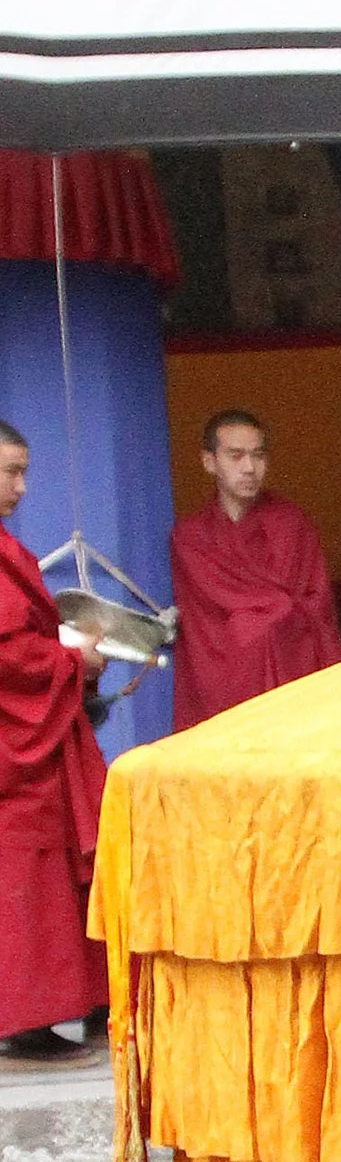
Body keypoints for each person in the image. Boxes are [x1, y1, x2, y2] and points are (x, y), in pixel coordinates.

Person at [0, 420, 108, 1061]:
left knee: (64, 868)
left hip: (39, 737)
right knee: (25, 877)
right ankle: (24, 1020)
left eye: (22, 471)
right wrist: (73, 659)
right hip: (17, 751)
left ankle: (88, 1001)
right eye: (9, 470)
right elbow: (10, 654)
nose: (20, 486)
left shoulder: (8, 547)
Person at [168, 409, 341, 732]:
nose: (249, 468)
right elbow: (202, 625)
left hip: (296, 679)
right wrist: (268, 616)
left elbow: (315, 605)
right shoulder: (191, 538)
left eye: (258, 456)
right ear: (209, 462)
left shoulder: (293, 525)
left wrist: (271, 617)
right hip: (225, 685)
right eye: (236, 456)